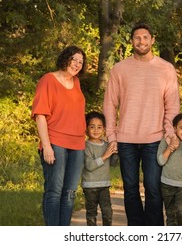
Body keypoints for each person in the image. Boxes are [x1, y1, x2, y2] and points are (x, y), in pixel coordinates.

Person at [103, 22, 180, 226]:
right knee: (130, 189)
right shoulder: (120, 69)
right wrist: (111, 136)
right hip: (125, 140)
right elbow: (109, 105)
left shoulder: (165, 69)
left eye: (145, 37)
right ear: (131, 41)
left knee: (153, 188)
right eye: (137, 37)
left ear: (152, 40)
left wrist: (170, 133)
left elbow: (172, 107)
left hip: (155, 139)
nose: (141, 41)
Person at [31, 45, 87, 226]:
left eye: (81, 62)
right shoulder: (48, 80)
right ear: (66, 58)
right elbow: (40, 114)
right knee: (54, 191)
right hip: (56, 142)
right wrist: (46, 146)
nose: (77, 64)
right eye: (75, 59)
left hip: (77, 144)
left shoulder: (76, 83)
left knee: (70, 192)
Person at [157, 113, 182, 226]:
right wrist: (170, 148)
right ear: (174, 128)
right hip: (166, 184)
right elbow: (160, 161)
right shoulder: (166, 141)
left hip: (181, 185)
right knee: (170, 214)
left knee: (181, 211)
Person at [81, 111, 119, 226]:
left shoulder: (107, 145)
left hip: (104, 185)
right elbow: (89, 166)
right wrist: (105, 156)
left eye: (99, 127)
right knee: (92, 213)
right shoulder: (85, 146)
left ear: (104, 129)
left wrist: (115, 153)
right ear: (86, 129)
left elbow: (113, 164)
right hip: (90, 186)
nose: (96, 130)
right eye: (92, 127)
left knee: (107, 212)